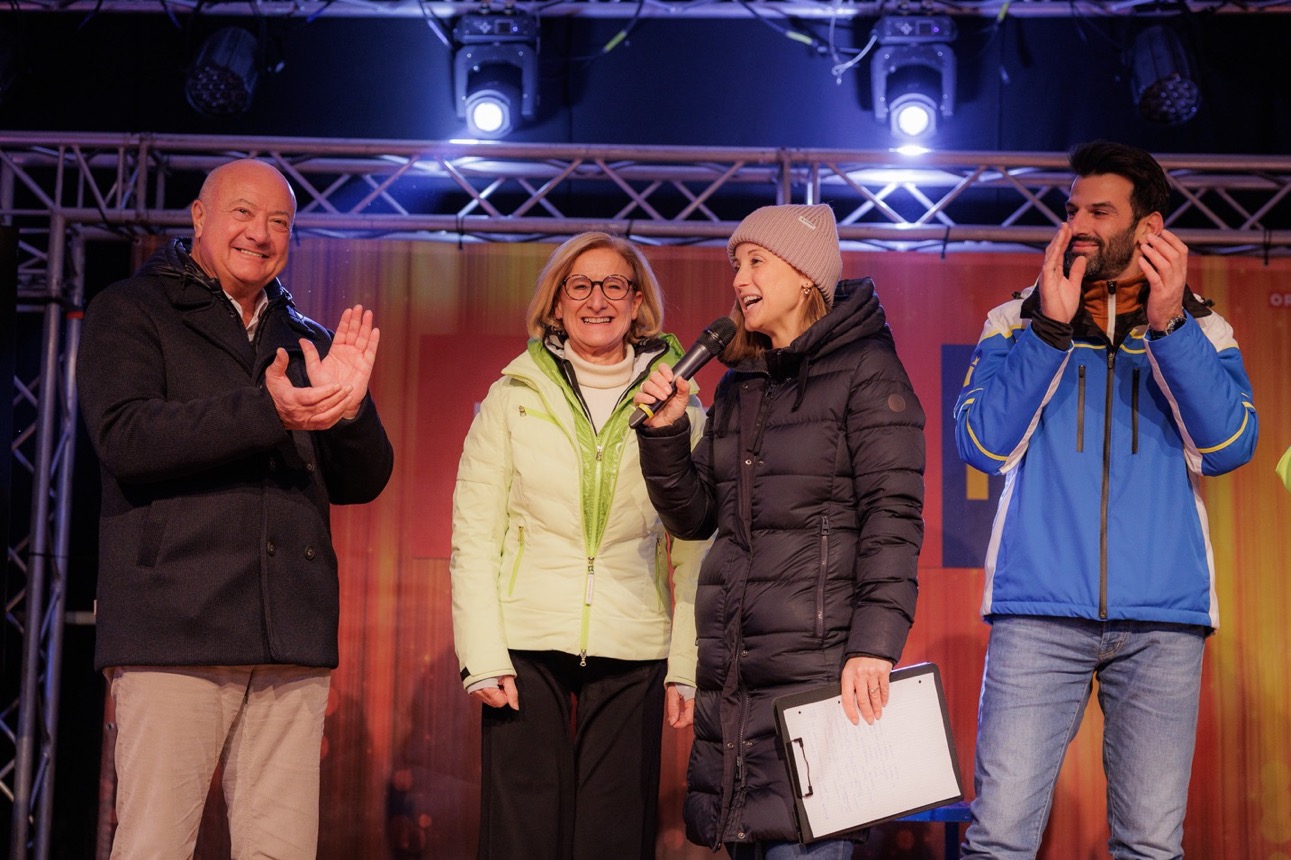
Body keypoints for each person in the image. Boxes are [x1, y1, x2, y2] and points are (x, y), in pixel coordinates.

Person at [77, 158, 394, 858]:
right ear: (199, 217)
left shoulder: (304, 336)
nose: (261, 233)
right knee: (155, 845)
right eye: (243, 213)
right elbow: (125, 437)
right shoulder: (131, 309)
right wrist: (264, 412)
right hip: (174, 630)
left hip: (289, 638)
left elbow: (363, 480)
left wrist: (348, 411)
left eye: (279, 222)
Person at [953, 141, 1259, 859]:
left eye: (1100, 212)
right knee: (998, 840)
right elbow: (981, 445)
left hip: (1162, 621)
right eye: (1072, 210)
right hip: (1036, 612)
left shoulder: (1202, 329)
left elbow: (1228, 446)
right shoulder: (1013, 320)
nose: (1078, 226)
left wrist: (1169, 327)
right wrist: (1049, 331)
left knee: (1150, 847)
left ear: (1150, 227)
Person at [633, 203, 926, 858]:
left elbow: (893, 517)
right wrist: (666, 433)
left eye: (756, 261)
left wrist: (873, 646)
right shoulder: (740, 385)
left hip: (821, 676)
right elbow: (695, 516)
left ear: (805, 276)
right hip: (740, 679)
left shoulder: (867, 370)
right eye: (735, 264)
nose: (739, 278)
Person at [448, 231, 708, 859]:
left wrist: (687, 662)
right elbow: (474, 536)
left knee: (614, 837)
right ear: (557, 301)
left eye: (615, 285)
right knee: (521, 837)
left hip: (633, 639)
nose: (598, 300)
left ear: (637, 302)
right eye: (581, 285)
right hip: (525, 643)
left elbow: (696, 549)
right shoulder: (512, 397)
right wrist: (482, 655)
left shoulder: (679, 406)